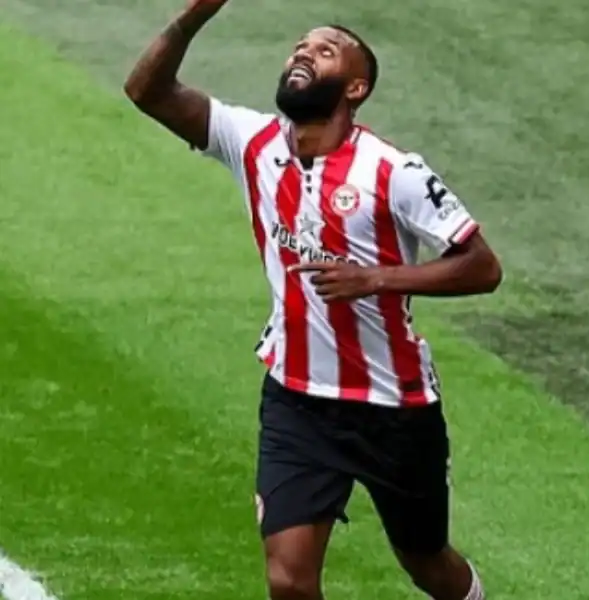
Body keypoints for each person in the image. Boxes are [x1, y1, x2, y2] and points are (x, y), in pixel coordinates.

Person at [124, 1, 502, 599]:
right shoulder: (252, 142)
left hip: (393, 407)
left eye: (325, 50)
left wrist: (374, 279)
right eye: (300, 46)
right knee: (289, 579)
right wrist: (194, 15)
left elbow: (482, 266)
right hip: (296, 400)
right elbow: (147, 91)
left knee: (427, 563)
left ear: (356, 88)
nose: (303, 53)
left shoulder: (394, 172)